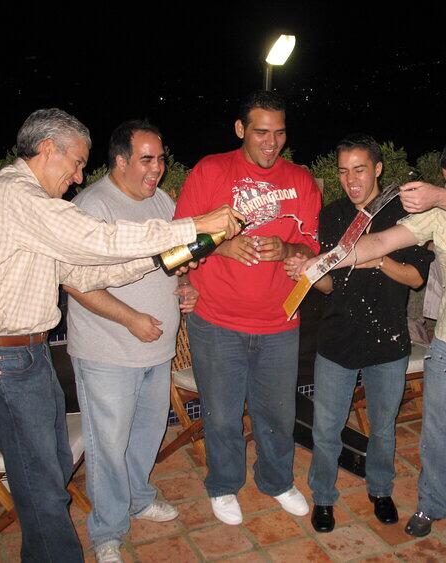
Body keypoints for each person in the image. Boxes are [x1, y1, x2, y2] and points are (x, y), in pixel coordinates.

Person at [0, 108, 242, 562]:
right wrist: (198, 224)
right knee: (42, 484)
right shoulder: (16, 195)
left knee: (50, 473)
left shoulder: (32, 211)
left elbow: (83, 273)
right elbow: (100, 240)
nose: (77, 176)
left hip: (25, 356)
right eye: (75, 163)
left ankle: (128, 503)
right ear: (47, 148)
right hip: (4, 360)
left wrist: (160, 260)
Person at [299, 137, 446, 562]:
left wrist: (440, 196)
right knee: (436, 437)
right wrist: (324, 261)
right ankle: (431, 506)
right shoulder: (435, 212)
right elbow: (380, 242)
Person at [173, 91, 322, 525]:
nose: (271, 142)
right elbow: (178, 237)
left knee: (277, 414)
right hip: (217, 320)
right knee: (221, 414)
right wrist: (223, 246)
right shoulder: (210, 170)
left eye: (279, 133)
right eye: (261, 132)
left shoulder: (302, 180)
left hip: (279, 322)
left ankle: (276, 480)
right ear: (241, 129)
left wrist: (288, 248)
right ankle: (223, 484)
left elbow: (313, 248)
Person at [64, 120, 199, 563]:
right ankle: (106, 531)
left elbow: (177, 262)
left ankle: (138, 497)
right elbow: (75, 283)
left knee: (146, 431)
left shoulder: (162, 201)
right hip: (107, 350)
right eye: (146, 159)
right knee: (108, 444)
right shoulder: (91, 207)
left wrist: (185, 286)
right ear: (120, 160)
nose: (157, 168)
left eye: (160, 158)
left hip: (156, 349)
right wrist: (130, 318)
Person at [284, 134, 433, 533]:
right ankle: (323, 497)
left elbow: (416, 278)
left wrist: (377, 259)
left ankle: (380, 490)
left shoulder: (404, 214)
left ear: (378, 169)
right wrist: (307, 274)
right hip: (337, 339)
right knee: (326, 429)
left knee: (383, 427)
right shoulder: (332, 214)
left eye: (360, 169)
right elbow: (330, 285)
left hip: (388, 341)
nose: (351, 180)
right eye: (344, 171)